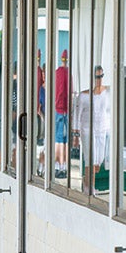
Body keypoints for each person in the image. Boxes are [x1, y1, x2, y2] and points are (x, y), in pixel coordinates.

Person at [73, 65, 111, 194]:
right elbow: (77, 115)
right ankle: (90, 189)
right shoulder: (84, 96)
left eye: (101, 76)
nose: (99, 80)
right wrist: (76, 135)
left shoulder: (107, 93)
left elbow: (109, 112)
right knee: (90, 159)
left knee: (97, 163)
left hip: (102, 130)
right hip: (87, 130)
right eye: (96, 77)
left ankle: (86, 180)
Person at [54, 49, 71, 178]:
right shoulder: (69, 73)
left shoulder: (57, 73)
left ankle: (57, 166)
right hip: (67, 109)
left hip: (59, 109)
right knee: (65, 141)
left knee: (58, 139)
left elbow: (57, 91)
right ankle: (64, 166)